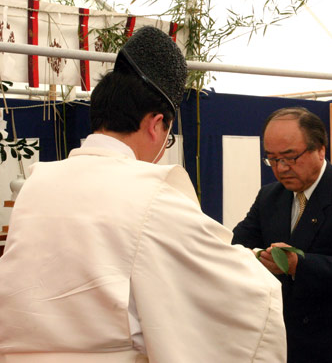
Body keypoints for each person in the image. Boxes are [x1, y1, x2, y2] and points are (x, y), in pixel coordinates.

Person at [0, 26, 286, 363]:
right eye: (168, 138)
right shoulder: (151, 193)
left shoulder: (38, 182)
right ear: (155, 124)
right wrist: (252, 263)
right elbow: (240, 293)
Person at [232, 107, 332, 363]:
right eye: (272, 159)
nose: (281, 168)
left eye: (290, 157)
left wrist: (296, 266)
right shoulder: (270, 196)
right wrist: (256, 256)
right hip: (285, 339)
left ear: (320, 149)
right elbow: (239, 244)